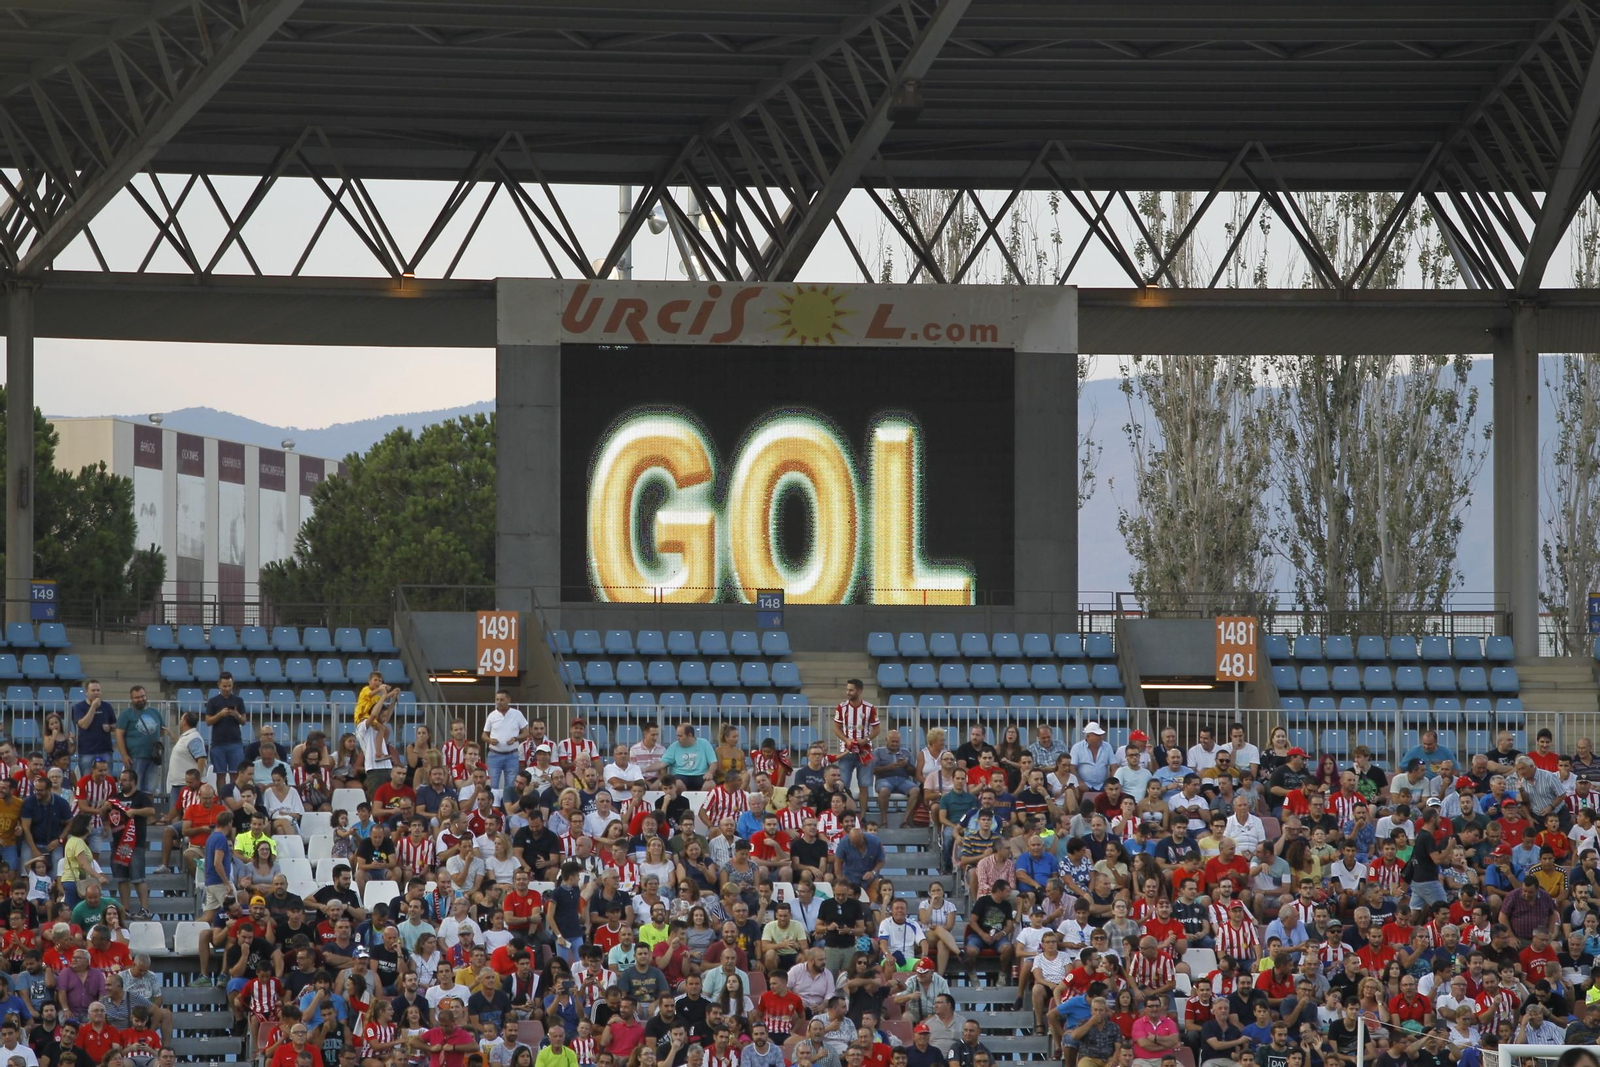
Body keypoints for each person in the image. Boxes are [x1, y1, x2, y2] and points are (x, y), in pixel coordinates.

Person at [205, 672, 249, 790]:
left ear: (232, 684)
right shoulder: (213, 702)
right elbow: (208, 721)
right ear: (219, 685)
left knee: (235, 774)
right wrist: (220, 714)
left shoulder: (238, 701)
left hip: (235, 742)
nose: (227, 689)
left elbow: (244, 721)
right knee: (221, 775)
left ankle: (235, 798)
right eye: (224, 686)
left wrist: (236, 715)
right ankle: (223, 800)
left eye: (229, 686)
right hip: (218, 743)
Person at [72, 680, 118, 778]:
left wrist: (110, 727)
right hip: (86, 750)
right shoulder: (79, 707)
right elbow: (83, 725)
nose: (96, 693)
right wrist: (93, 707)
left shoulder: (107, 706)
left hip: (105, 749)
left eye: (98, 690)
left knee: (107, 779)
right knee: (86, 778)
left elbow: (115, 725)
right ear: (86, 692)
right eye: (93, 690)